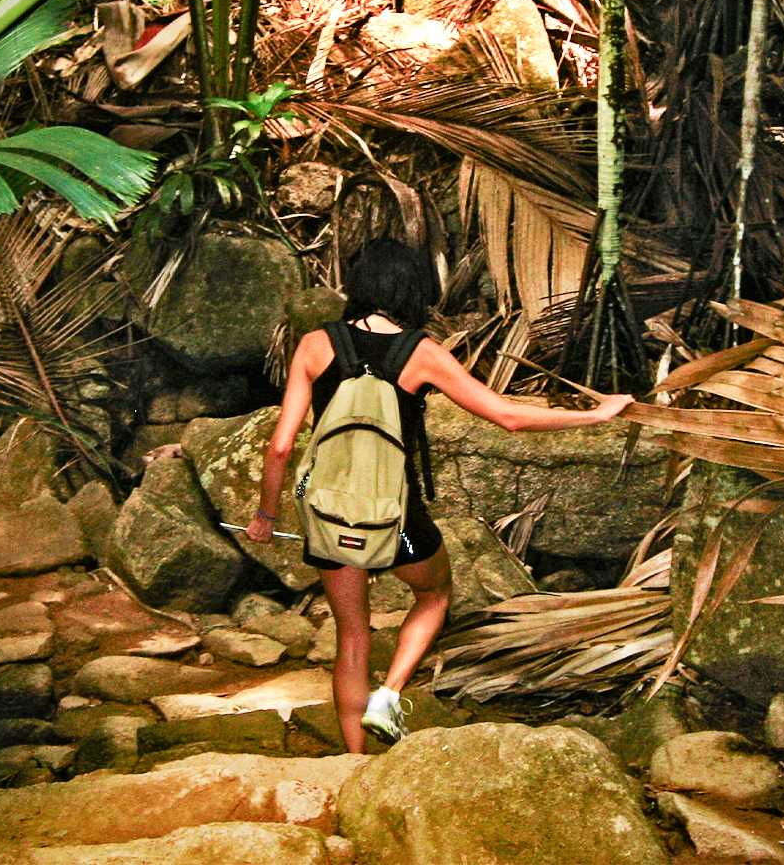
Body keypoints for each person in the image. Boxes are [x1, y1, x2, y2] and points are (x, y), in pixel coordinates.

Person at [244, 239, 633, 753]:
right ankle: (389, 695)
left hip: (329, 511)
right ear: (412, 288)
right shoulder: (422, 352)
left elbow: (280, 446)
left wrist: (266, 516)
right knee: (434, 594)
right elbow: (508, 417)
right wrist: (594, 415)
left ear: (358, 285)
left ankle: (354, 762)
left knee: (352, 635)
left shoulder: (316, 344)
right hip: (397, 513)